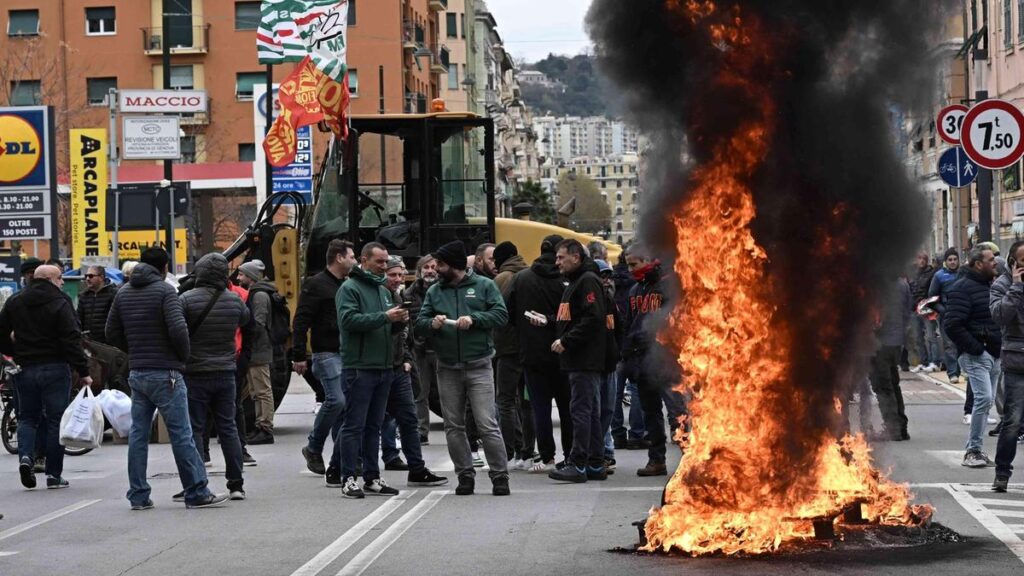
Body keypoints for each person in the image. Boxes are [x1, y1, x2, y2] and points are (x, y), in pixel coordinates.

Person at [107, 247, 227, 510]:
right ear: (164, 268)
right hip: (167, 372)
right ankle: (196, 491)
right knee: (182, 434)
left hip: (137, 372)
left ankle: (138, 495)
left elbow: (111, 331)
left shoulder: (123, 292)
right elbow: (178, 330)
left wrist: (134, 351)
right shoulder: (165, 291)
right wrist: (182, 357)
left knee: (138, 435)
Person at [415, 240, 511, 496]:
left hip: (479, 364)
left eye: (440, 264)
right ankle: (465, 475)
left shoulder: (484, 286)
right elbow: (419, 324)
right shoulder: (435, 291)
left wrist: (475, 319)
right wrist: (432, 323)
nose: (435, 268)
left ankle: (500, 475)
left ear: (454, 265)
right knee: (453, 425)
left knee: (486, 423)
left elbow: (501, 315)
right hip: (447, 367)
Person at [0, 265, 91, 490]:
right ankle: (53, 474)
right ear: (49, 279)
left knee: (27, 418)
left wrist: (13, 352)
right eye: (60, 278)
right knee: (55, 420)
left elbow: (1, 334)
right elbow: (71, 338)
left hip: (24, 368)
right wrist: (83, 370)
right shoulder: (60, 302)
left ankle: (26, 458)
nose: (62, 282)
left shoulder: (15, 301)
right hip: (55, 368)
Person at [336, 242, 407, 499]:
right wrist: (386, 317)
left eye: (386, 261)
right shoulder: (349, 288)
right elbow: (348, 321)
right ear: (363, 261)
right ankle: (348, 478)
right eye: (379, 262)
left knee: (374, 426)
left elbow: (384, 325)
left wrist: (398, 322)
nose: (384, 266)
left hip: (384, 367)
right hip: (360, 367)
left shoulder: (382, 290)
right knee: (354, 425)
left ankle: (372, 477)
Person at [179, 254, 251, 501]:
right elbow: (245, 320)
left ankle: (198, 482)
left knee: (196, 429)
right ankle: (236, 484)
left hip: (195, 372)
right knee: (228, 428)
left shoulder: (186, 299)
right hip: (226, 372)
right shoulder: (234, 300)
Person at [505, 235, 574, 473]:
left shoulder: (521, 278)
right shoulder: (567, 279)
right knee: (567, 408)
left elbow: (509, 312)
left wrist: (525, 330)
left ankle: (547, 457)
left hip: (531, 353)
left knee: (539, 408)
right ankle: (570, 455)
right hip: (564, 351)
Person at [379, 256, 449, 486]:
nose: (398, 278)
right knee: (374, 417)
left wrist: (406, 357)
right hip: (393, 361)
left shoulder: (405, 295)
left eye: (400, 274)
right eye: (392, 274)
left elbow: (403, 333)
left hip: (412, 358)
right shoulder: (399, 294)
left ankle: (416, 469)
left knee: (409, 416)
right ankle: (356, 467)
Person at [544, 240, 609, 483]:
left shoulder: (587, 280)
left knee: (580, 411)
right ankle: (594, 463)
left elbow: (593, 318)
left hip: (584, 359)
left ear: (576, 257)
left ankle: (579, 463)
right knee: (588, 412)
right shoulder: (576, 281)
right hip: (579, 359)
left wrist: (566, 340)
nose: (557, 262)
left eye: (561, 257)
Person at [292, 240, 356, 482]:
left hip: (346, 353)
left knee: (345, 409)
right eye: (351, 256)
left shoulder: (347, 284)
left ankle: (342, 461)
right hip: (325, 353)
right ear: (339, 258)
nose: (354, 261)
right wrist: (299, 355)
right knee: (336, 400)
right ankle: (313, 446)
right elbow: (301, 320)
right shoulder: (316, 284)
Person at [622, 245, 687, 477]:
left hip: (666, 360)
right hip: (643, 360)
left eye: (634, 264)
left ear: (648, 259)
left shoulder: (667, 285)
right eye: (628, 265)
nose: (631, 269)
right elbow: (629, 323)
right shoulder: (635, 290)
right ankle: (657, 460)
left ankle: (690, 461)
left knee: (677, 413)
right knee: (651, 413)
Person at [944, 246, 1002, 468]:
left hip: (993, 353)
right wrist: (976, 348)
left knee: (987, 402)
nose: (995, 262)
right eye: (991, 259)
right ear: (978, 264)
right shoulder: (961, 288)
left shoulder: (990, 285)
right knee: (984, 399)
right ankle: (973, 451)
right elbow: (952, 324)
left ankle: (976, 449)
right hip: (977, 354)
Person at [492, 241, 535, 468]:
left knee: (505, 401)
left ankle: (508, 453)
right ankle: (528, 451)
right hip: (529, 349)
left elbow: (495, 313)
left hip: (507, 349)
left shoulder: (501, 279)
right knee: (528, 402)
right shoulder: (530, 275)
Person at [990, 241, 1024, 491]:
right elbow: (1000, 316)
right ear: (1013, 262)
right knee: (1012, 421)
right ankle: (1002, 472)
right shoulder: (1002, 285)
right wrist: (1017, 287)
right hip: (1017, 362)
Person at [236, 260, 276, 445]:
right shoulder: (257, 293)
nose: (238, 278)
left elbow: (258, 323)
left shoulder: (259, 295)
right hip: (256, 349)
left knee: (262, 391)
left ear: (250, 277)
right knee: (256, 390)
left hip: (258, 349)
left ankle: (265, 428)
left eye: (241, 274)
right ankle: (261, 426)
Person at [869, 278, 913, 441]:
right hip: (896, 341)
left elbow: (876, 319)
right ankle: (901, 427)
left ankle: (892, 429)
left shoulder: (879, 283)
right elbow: (907, 312)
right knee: (893, 384)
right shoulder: (902, 283)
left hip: (881, 342)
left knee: (883, 385)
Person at [610, 250, 645, 450]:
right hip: (633, 344)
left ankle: (617, 434)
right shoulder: (638, 285)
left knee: (616, 391)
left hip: (616, 343)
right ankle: (636, 434)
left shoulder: (610, 280)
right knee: (636, 388)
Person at [406, 255, 440, 444]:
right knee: (420, 393)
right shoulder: (409, 294)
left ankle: (460, 428)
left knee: (450, 393)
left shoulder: (444, 290)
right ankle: (421, 431)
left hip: (442, 349)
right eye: (426, 267)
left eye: (433, 267)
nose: (430, 271)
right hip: (419, 350)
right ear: (419, 271)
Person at [929, 248, 963, 386]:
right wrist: (943, 311)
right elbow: (932, 298)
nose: (953, 262)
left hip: (963, 315)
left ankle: (963, 370)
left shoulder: (963, 273)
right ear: (945, 261)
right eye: (950, 260)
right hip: (947, 316)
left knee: (963, 343)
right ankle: (953, 373)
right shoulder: (939, 276)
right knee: (949, 344)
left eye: (955, 259)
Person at [909, 252, 940, 373]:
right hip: (914, 308)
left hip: (927, 308)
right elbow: (911, 290)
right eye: (919, 258)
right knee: (918, 337)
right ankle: (923, 362)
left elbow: (933, 291)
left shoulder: (932, 273)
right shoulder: (913, 274)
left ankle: (935, 362)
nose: (921, 261)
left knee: (931, 336)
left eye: (924, 258)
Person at [78, 265, 117, 344]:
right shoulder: (84, 296)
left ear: (101, 277)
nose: (87, 279)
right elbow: (78, 319)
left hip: (107, 343)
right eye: (86, 276)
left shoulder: (113, 294)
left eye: (91, 276)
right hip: (88, 343)